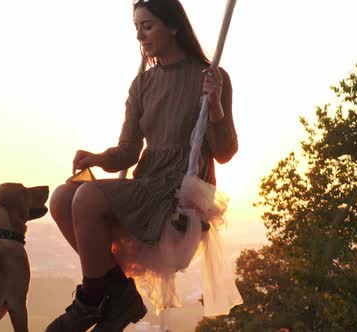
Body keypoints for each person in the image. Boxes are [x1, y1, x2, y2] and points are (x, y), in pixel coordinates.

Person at [45, 0, 238, 330]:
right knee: (62, 197)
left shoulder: (210, 77)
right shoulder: (142, 85)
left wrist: (216, 107)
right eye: (136, 28)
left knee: (87, 197)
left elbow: (225, 152)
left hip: (181, 193)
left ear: (173, 26)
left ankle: (92, 301)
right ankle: (118, 294)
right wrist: (97, 158)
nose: (140, 36)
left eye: (147, 27)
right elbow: (127, 153)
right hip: (147, 183)